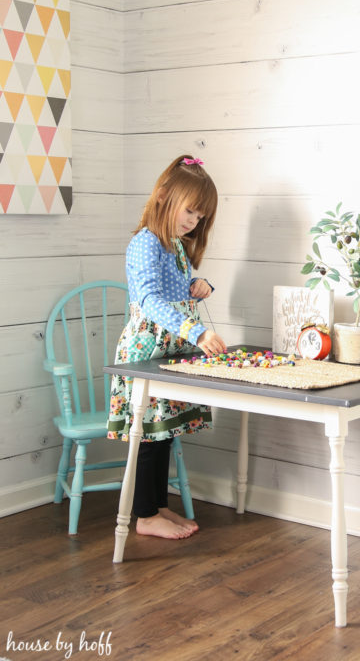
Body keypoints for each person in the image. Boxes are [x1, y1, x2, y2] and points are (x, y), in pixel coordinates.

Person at [107, 154, 227, 539]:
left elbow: (175, 292)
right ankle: (143, 515)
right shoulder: (145, 243)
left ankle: (157, 507)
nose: (193, 221)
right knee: (147, 435)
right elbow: (149, 301)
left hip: (170, 350)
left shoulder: (175, 244)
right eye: (190, 211)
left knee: (163, 433)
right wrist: (196, 332)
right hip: (148, 353)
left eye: (200, 216)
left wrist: (199, 285)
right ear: (163, 196)